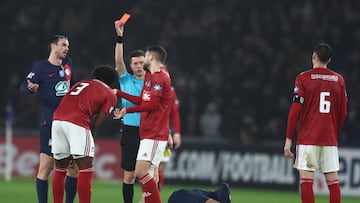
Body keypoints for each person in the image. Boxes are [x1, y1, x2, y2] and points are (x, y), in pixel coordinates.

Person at [283, 43, 348, 203]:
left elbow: (295, 109)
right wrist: (334, 132)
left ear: (313, 56)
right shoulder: (338, 80)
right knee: (333, 183)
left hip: (308, 138)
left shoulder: (303, 78)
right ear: (329, 60)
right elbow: (343, 112)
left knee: (306, 182)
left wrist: (289, 139)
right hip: (329, 139)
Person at [20, 35, 78, 203]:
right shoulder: (40, 67)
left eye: (67, 46)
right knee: (46, 167)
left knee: (73, 167)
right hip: (50, 122)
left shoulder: (69, 64)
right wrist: (31, 88)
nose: (66, 48)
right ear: (53, 46)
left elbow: (73, 87)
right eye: (63, 45)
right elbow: (25, 85)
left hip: (70, 122)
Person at [51, 65, 119, 203]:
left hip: (57, 120)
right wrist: (90, 138)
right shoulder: (109, 93)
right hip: (77, 122)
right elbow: (98, 122)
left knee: (60, 169)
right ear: (112, 82)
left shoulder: (80, 83)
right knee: (85, 168)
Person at [114, 45, 172, 203]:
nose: (142, 62)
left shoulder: (161, 77)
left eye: (144, 57)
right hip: (145, 133)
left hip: (155, 133)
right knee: (149, 176)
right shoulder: (150, 76)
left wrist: (127, 111)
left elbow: (152, 105)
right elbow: (142, 101)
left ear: (151, 58)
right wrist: (119, 93)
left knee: (141, 172)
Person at [114, 20, 145, 203]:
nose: (139, 66)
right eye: (135, 63)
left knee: (151, 173)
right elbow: (118, 61)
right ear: (131, 66)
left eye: (141, 63)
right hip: (131, 131)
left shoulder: (153, 82)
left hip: (150, 132)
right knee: (130, 175)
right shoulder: (126, 80)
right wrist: (119, 37)